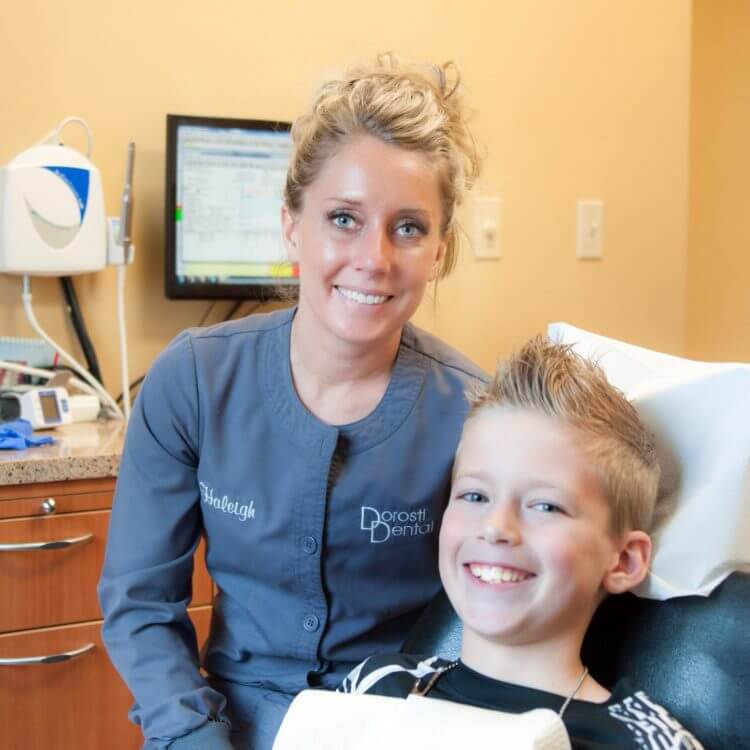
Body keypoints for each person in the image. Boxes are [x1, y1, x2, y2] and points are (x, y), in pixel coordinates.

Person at [97, 54, 486, 750]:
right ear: (291, 227)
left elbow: (500, 616)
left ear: (440, 251)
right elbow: (141, 606)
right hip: (223, 721)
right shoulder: (193, 381)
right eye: (343, 218)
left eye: (408, 228)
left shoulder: (473, 416)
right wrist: (193, 733)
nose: (374, 258)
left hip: (401, 724)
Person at [340, 337, 704, 749]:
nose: (496, 526)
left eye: (546, 506)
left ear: (622, 560)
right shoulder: (377, 688)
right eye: (475, 496)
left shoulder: (645, 742)